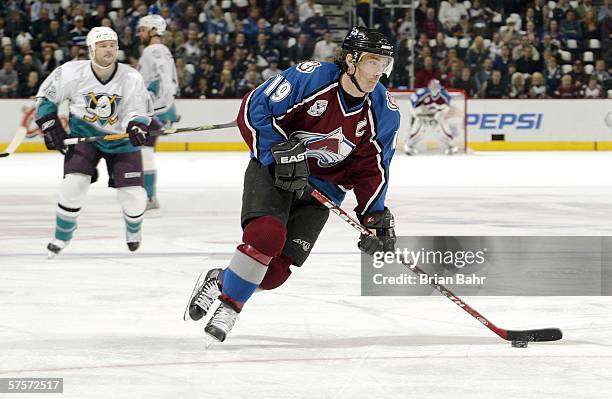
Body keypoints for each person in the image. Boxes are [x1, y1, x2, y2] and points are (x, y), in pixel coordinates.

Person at [186, 27, 400, 343]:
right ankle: (231, 306)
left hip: (323, 188)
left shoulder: (383, 110)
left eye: (384, 63)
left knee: (273, 275)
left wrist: (374, 215)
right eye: (372, 61)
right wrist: (277, 149)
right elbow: (253, 108)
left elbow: (374, 168)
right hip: (276, 170)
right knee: (266, 236)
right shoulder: (310, 78)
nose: (378, 72)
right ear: (351, 60)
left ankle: (222, 280)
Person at [35, 27, 154, 258]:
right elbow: (45, 98)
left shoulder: (130, 76)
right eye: (103, 45)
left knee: (133, 196)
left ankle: (133, 231)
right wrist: (50, 126)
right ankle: (62, 236)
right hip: (84, 137)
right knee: (73, 184)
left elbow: (138, 109)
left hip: (121, 141)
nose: (109, 49)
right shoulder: (70, 72)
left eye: (112, 45)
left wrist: (137, 125)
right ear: (91, 49)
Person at [136, 14, 180, 212]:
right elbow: (170, 83)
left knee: (142, 152)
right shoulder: (162, 50)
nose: (140, 34)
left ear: (153, 30)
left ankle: (148, 196)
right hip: (157, 109)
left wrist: (149, 105)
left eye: (143, 30)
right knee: (143, 153)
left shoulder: (152, 51)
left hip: (150, 111)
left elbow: (159, 82)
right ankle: (147, 194)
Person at [404, 79, 457, 155]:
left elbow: (448, 106)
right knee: (418, 129)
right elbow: (411, 102)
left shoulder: (444, 94)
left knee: (442, 128)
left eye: (437, 86)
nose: (435, 88)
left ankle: (451, 146)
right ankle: (409, 146)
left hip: (436, 116)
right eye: (433, 86)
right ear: (429, 86)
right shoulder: (423, 92)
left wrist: (440, 113)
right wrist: (415, 113)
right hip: (424, 115)